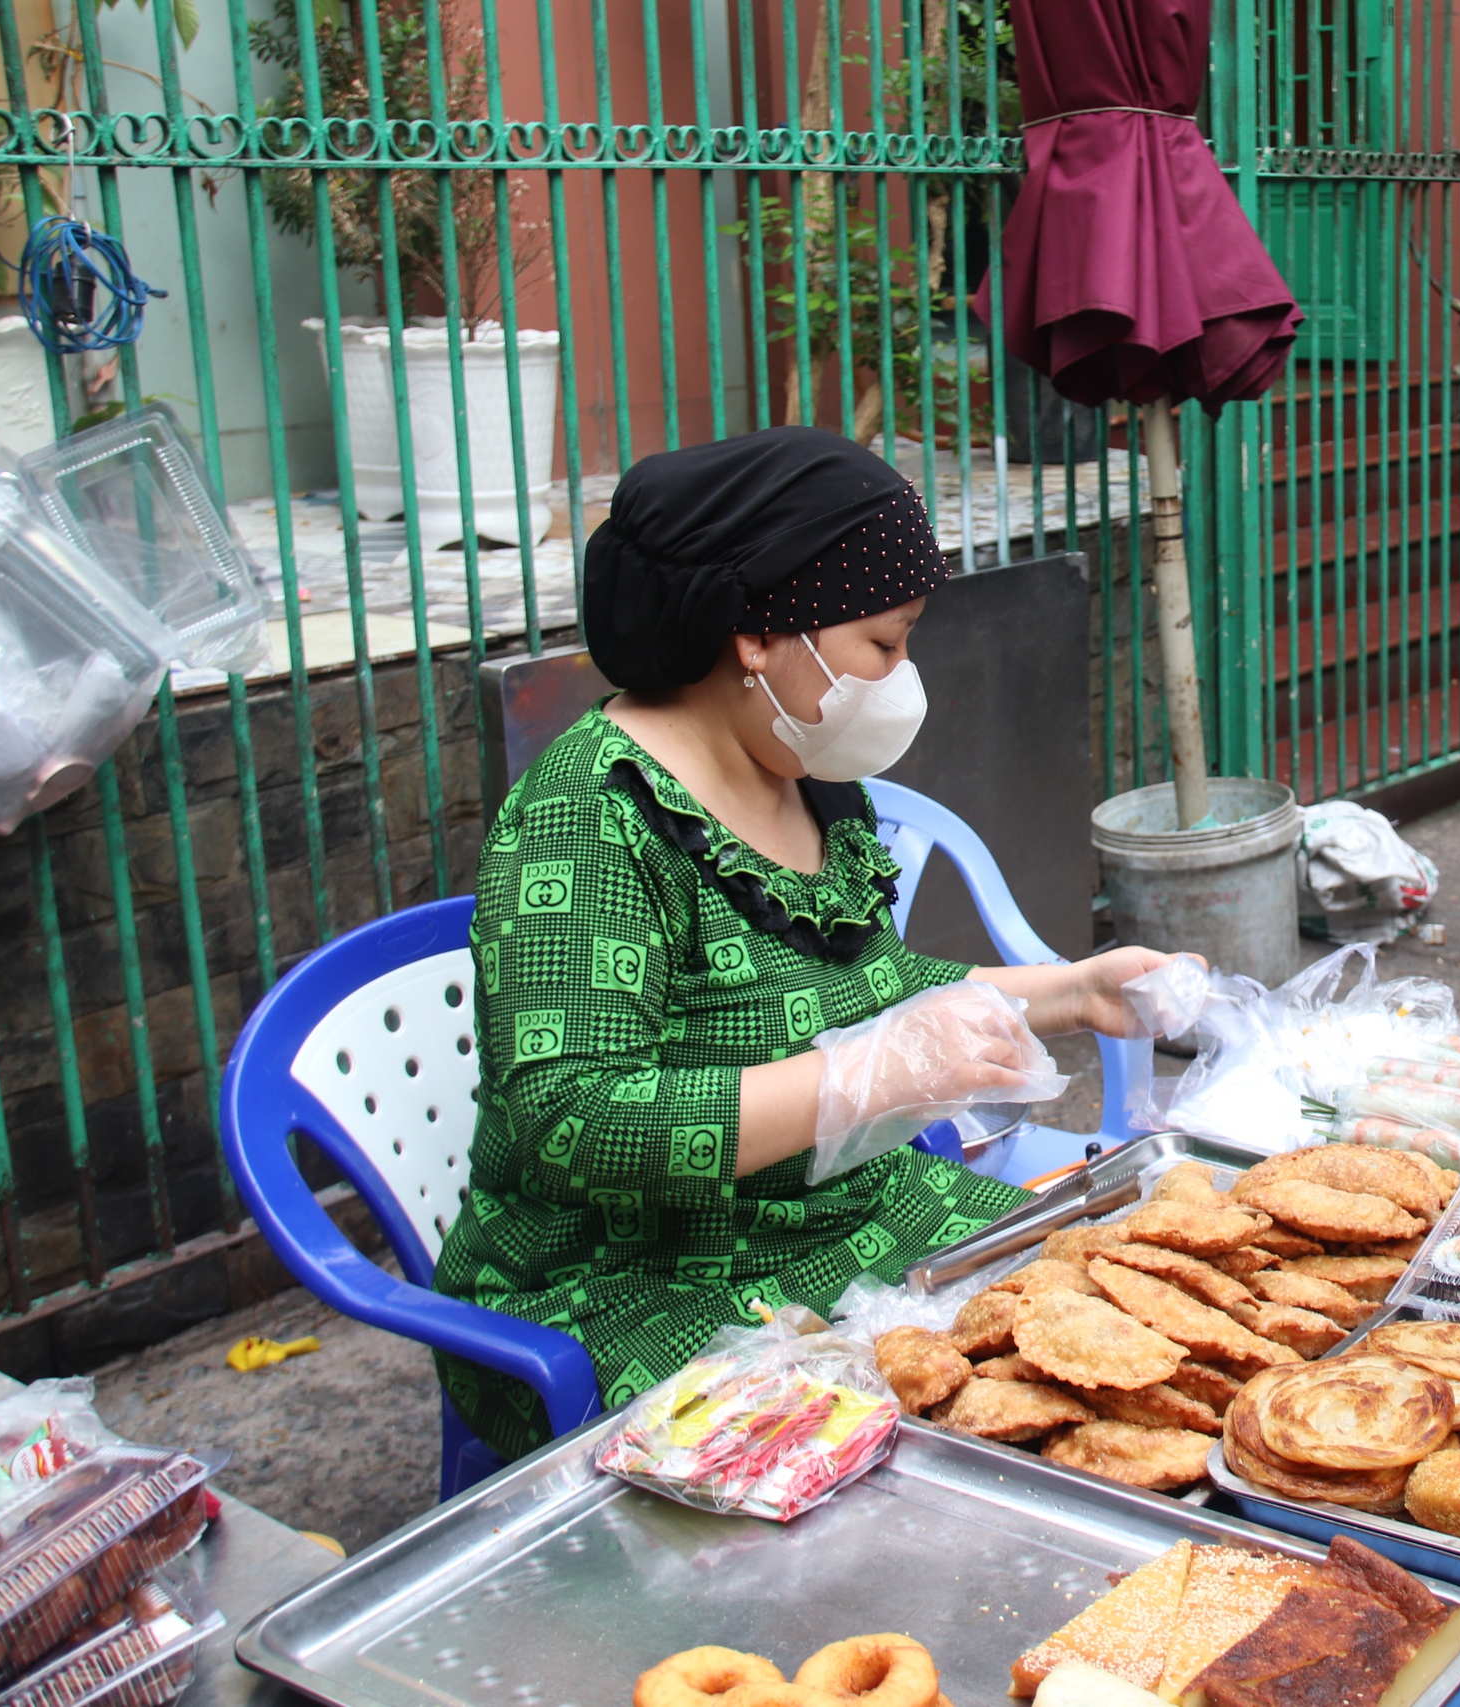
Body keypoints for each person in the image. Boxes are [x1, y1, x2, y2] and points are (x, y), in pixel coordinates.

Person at [433, 426, 1174, 1461]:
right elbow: (571, 1126)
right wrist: (857, 1083)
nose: (901, 677)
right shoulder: (586, 818)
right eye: (882, 643)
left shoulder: (805, 778)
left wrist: (1071, 989)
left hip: (843, 1216)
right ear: (754, 631)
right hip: (642, 1284)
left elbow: (861, 983)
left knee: (1098, 1336)